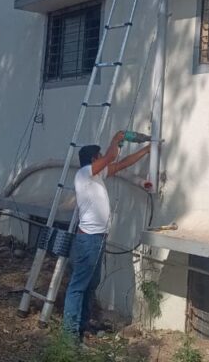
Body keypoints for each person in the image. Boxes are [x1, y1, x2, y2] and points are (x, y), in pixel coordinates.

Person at [63, 130, 151, 341]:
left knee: (91, 284)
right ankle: (69, 335)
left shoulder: (96, 176)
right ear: (94, 159)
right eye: (100, 156)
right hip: (88, 240)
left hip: (98, 239)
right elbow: (111, 156)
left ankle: (82, 327)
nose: (104, 157)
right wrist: (117, 138)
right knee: (78, 286)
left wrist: (147, 149)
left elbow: (122, 164)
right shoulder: (84, 174)